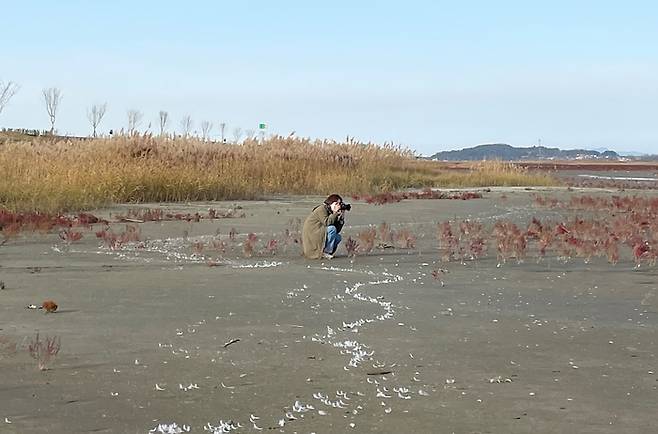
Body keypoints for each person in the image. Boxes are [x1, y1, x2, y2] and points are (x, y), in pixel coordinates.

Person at [302, 194, 346, 259]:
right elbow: (327, 222)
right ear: (330, 203)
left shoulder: (331, 212)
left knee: (338, 237)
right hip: (313, 233)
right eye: (336, 203)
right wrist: (335, 213)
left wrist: (341, 218)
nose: (338, 206)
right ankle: (325, 252)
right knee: (331, 228)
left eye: (339, 204)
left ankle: (327, 252)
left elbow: (337, 230)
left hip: (320, 231)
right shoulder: (321, 209)